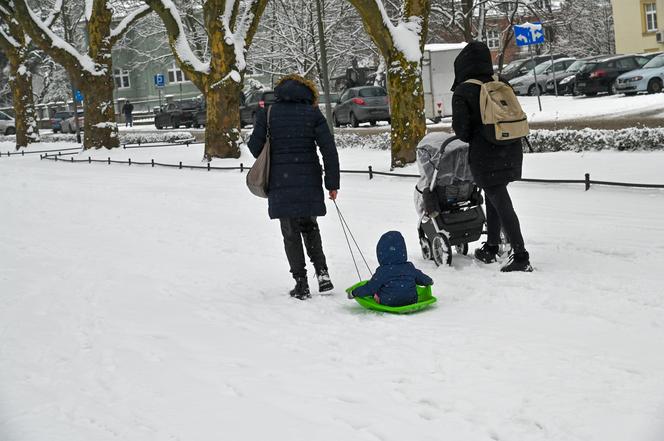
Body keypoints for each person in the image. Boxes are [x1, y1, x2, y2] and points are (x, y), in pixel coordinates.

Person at [248, 74, 340, 300]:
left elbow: (254, 148)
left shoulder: (268, 113)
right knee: (310, 226)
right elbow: (329, 150)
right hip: (308, 177)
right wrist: (332, 183)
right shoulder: (312, 113)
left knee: (290, 232)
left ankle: (301, 282)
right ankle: (323, 273)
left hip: (280, 180)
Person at [451, 41, 533, 272]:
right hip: (511, 148)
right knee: (495, 196)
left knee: (501, 200)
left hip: (485, 154)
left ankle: (520, 255)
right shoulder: (500, 82)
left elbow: (462, 132)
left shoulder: (464, 90)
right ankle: (492, 246)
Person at [348, 231, 433, 307]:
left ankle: (379, 297)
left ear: (381, 253)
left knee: (376, 290)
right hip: (411, 300)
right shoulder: (409, 267)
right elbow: (422, 278)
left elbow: (370, 288)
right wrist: (429, 281)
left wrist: (353, 293)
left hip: (389, 302)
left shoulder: (383, 271)